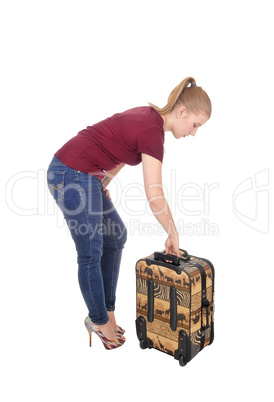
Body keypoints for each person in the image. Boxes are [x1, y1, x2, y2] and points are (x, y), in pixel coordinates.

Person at [46, 76, 212, 350]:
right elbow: (155, 195)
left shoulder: (149, 120)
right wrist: (173, 232)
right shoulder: (152, 131)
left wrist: (102, 183)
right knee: (91, 249)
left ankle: (108, 311)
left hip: (86, 175)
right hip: (69, 172)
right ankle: (98, 320)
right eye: (195, 125)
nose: (193, 132)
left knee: (116, 236)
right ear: (182, 112)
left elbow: (119, 151)